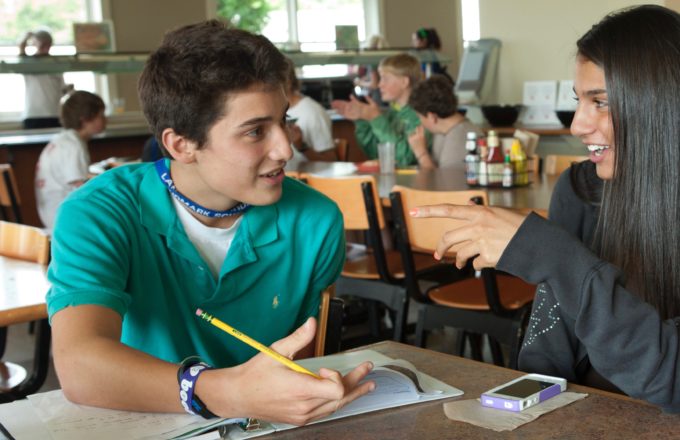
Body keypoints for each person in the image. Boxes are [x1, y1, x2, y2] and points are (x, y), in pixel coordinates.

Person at [46, 21, 374, 424]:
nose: (285, 148)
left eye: (283, 120)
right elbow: (80, 367)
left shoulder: (316, 221)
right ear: (181, 145)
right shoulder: (98, 211)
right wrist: (227, 393)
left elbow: (296, 360)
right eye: (255, 131)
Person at [408, 4, 680, 413]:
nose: (577, 126)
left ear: (658, 104)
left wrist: (549, 254)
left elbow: (671, 379)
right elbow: (548, 350)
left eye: (600, 102)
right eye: (579, 101)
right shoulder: (579, 190)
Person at [331, 53, 430, 167]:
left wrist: (376, 119)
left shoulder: (421, 115)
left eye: (385, 79)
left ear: (404, 82)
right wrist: (362, 119)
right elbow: (374, 153)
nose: (379, 85)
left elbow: (403, 159)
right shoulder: (392, 113)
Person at [34, 90, 106, 234]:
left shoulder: (62, 140)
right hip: (63, 219)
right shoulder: (74, 146)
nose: (105, 119)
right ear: (85, 119)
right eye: (100, 115)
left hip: (49, 213)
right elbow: (80, 188)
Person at [407, 74, 481, 169]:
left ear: (432, 117)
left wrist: (421, 153)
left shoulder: (458, 141)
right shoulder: (444, 132)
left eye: (420, 117)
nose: (420, 122)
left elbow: (442, 182)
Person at [283, 58, 337, 162]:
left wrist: (301, 145)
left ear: (288, 82)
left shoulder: (312, 112)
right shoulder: (272, 112)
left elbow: (330, 161)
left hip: (301, 178)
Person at [18, 30, 72, 129]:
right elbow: (21, 49)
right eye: (42, 44)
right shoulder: (29, 63)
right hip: (33, 115)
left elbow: (62, 90)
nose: (45, 48)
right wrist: (27, 37)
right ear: (35, 44)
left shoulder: (57, 65)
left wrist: (69, 90)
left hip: (54, 114)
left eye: (48, 44)